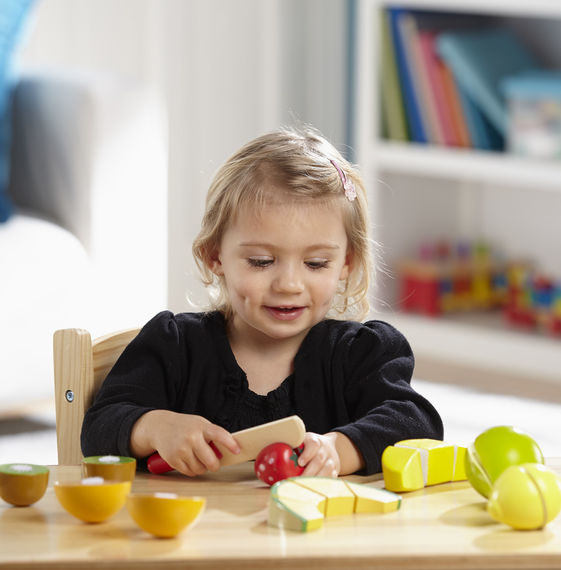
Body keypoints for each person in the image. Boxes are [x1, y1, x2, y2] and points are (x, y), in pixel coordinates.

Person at [81, 126, 443, 477]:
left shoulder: (363, 353)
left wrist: (339, 449)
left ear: (346, 263)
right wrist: (155, 427)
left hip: (319, 536)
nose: (288, 284)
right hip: (196, 535)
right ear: (214, 255)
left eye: (316, 263)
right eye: (261, 262)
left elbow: (418, 424)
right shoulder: (174, 346)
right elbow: (98, 428)